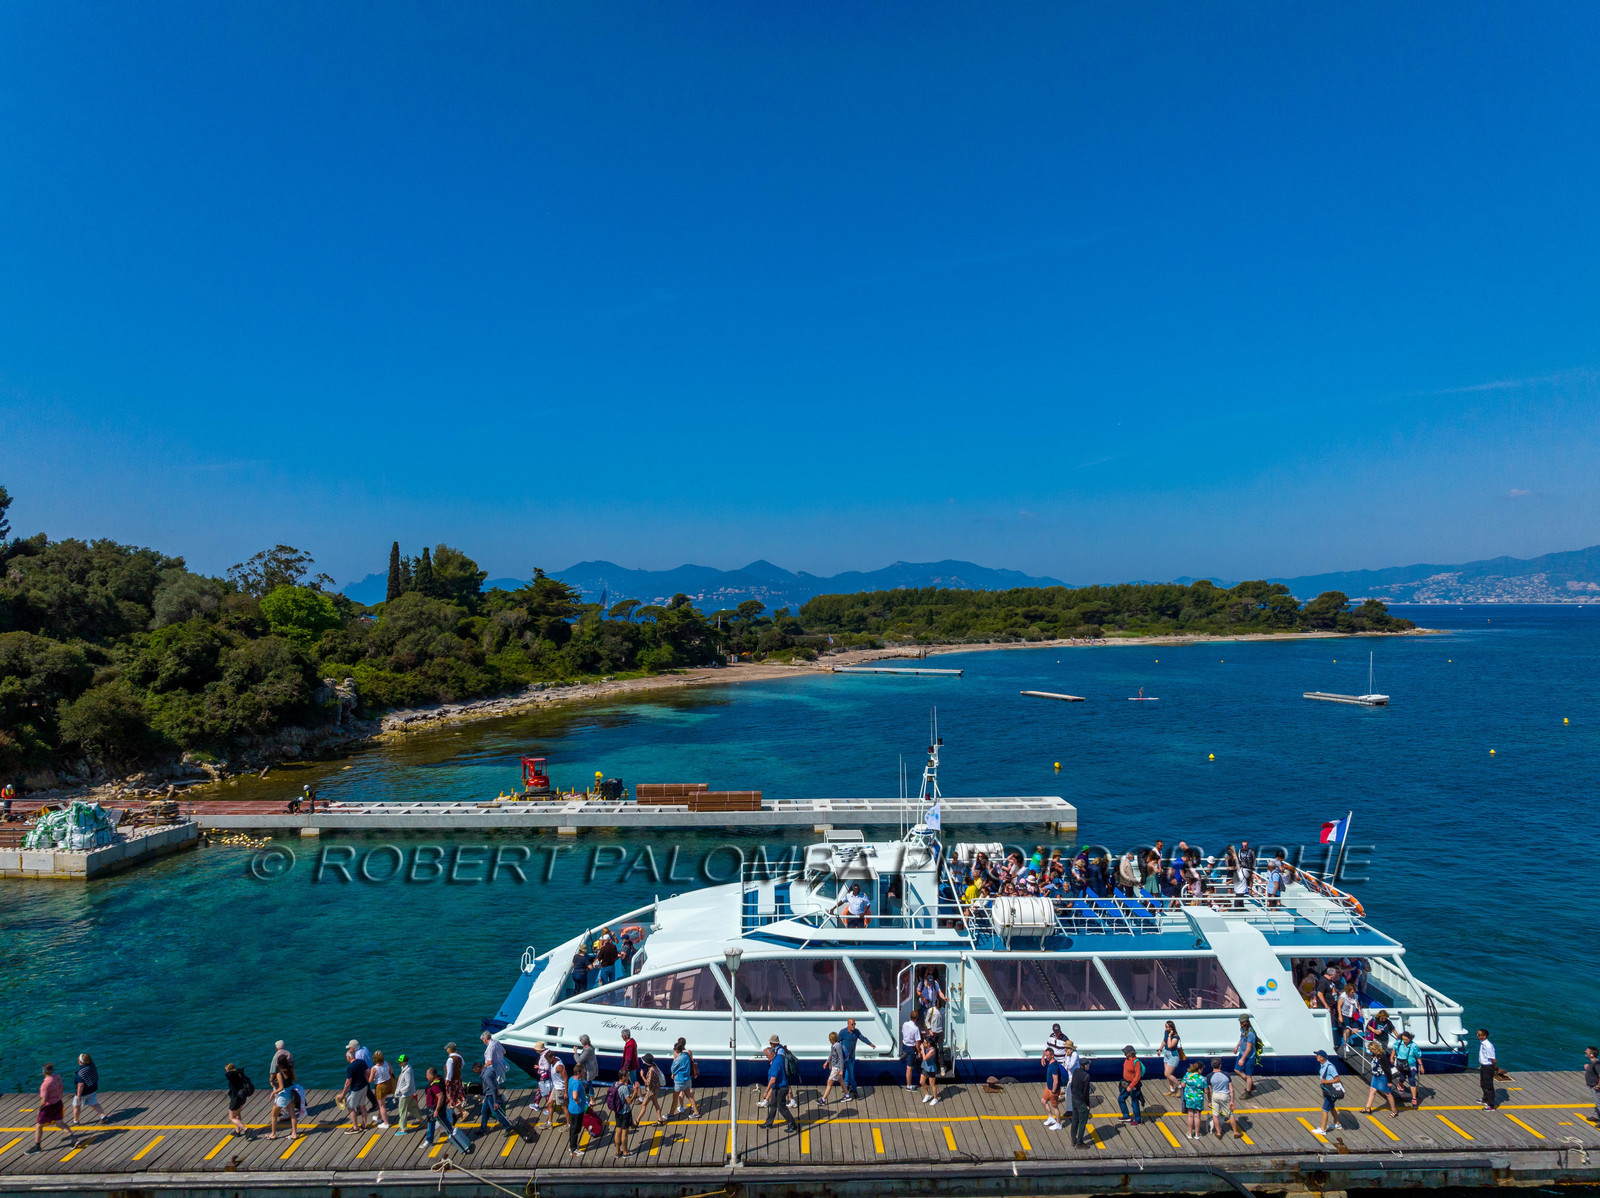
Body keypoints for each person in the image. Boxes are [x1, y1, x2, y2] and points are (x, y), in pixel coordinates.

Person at [29, 1064, 75, 1153]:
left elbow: (44, 1100)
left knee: (39, 1126)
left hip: (48, 1107)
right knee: (60, 1123)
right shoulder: (58, 1077)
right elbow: (62, 1088)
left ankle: (37, 1146)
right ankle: (74, 1140)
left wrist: (40, 1108)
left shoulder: (45, 1084)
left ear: (44, 1071)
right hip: (58, 1103)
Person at [761, 1039, 798, 1132]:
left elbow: (773, 1080)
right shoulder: (778, 1058)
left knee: (781, 1107)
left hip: (781, 1088)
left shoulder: (775, 1063)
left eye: (767, 1055)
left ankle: (792, 1124)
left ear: (771, 1054)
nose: (766, 1057)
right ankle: (768, 1123)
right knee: (773, 1105)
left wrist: (766, 1091)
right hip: (777, 1088)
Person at [838, 1017, 875, 1099]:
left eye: (854, 1024)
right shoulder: (843, 1032)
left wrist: (870, 1044)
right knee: (851, 1074)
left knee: (848, 1071)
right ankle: (854, 1091)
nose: (853, 1025)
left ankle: (846, 1087)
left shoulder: (856, 1032)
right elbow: (837, 1042)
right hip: (846, 1057)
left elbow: (862, 1038)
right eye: (852, 1024)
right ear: (848, 1024)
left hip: (852, 1056)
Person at [1208, 1058, 1243, 1138]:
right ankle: (1235, 1132)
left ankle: (1218, 1132)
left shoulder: (1209, 1076)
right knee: (1230, 1114)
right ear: (1220, 1065)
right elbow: (1231, 1089)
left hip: (1215, 1096)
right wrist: (1232, 1101)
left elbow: (1209, 1091)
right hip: (1225, 1095)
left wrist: (1209, 1101)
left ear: (1212, 1065)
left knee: (1215, 1115)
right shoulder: (1226, 1074)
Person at [1361, 1045, 1399, 1118]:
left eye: (1371, 1050)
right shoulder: (1374, 1055)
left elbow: (1387, 1069)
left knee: (1387, 1093)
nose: (1370, 1051)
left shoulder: (1382, 1057)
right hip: (1376, 1075)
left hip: (1382, 1076)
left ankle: (1394, 1110)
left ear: (1375, 1049)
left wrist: (1389, 1081)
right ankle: (1368, 1108)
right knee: (1372, 1090)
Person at [341, 1046, 371, 1134]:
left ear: (348, 1057)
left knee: (350, 1107)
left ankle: (355, 1127)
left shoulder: (350, 1068)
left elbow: (348, 1082)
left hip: (356, 1089)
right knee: (362, 1105)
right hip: (364, 1086)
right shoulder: (361, 1062)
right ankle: (364, 1124)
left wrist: (343, 1094)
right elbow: (367, 1071)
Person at [269, 1065, 301, 1141]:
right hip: (291, 1093)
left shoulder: (279, 1074)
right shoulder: (290, 1070)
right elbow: (295, 1079)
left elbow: (281, 1087)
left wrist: (273, 1093)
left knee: (273, 1115)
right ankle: (294, 1134)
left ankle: (273, 1134)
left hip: (284, 1095)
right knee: (292, 1114)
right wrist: (293, 1071)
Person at [1314, 1049, 1342, 1136]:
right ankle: (1337, 1124)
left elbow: (1337, 1079)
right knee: (1331, 1107)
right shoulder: (1322, 1065)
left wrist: (1326, 1082)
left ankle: (1322, 1129)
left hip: (1331, 1091)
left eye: (1318, 1055)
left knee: (1325, 1109)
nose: (1316, 1057)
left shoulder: (1330, 1067)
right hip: (1326, 1090)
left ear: (1322, 1057)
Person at [670, 1037, 700, 1118]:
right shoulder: (688, 1053)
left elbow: (673, 1066)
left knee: (678, 1094)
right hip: (688, 1074)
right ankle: (695, 1110)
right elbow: (692, 1062)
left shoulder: (677, 1054)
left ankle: (680, 1108)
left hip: (680, 1078)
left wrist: (673, 1073)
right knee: (689, 1092)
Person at [1392, 1031, 1423, 1109]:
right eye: (1403, 1039)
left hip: (1411, 1065)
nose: (1404, 1041)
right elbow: (1394, 1049)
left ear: (1410, 1038)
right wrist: (1392, 1056)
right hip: (1401, 1064)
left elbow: (1418, 1056)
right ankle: (1400, 1084)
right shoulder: (1399, 1043)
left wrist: (1421, 1065)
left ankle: (1414, 1099)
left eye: (1406, 1040)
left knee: (1412, 1081)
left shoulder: (1414, 1046)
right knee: (1402, 1077)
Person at [71, 1054, 104, 1126]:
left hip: (84, 1092)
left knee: (76, 1106)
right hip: (93, 1088)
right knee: (94, 1103)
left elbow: (80, 1084)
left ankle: (76, 1121)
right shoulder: (92, 1065)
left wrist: (79, 1095)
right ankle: (103, 1116)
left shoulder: (81, 1072)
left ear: (80, 1061)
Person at [607, 1073, 636, 1156]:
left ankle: (618, 1151)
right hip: (625, 1112)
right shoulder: (624, 1088)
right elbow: (629, 1101)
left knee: (618, 1131)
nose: (628, 1077)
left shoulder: (615, 1084)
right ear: (623, 1077)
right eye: (627, 1076)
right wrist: (635, 1092)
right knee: (624, 1133)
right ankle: (626, 1152)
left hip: (617, 1111)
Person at [1069, 1055, 1093, 1148]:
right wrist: (1087, 1104)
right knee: (1082, 1122)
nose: (1088, 1066)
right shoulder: (1086, 1076)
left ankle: (1073, 1140)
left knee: (1075, 1120)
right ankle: (1079, 1143)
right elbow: (1086, 1092)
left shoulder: (1075, 1071)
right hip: (1081, 1101)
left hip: (1074, 1098)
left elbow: (1072, 1085)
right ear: (1084, 1066)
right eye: (1087, 1065)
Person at [1117, 1045, 1144, 1125]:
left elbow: (1138, 1076)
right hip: (1125, 1083)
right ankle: (1126, 1116)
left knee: (1134, 1102)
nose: (1124, 1053)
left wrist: (1131, 1086)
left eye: (1126, 1052)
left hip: (1133, 1085)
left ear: (1131, 1053)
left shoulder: (1136, 1062)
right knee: (1121, 1099)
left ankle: (1138, 1120)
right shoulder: (1126, 1060)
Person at [1040, 1047, 1066, 1131]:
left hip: (1053, 1090)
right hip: (1048, 1087)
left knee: (1055, 1107)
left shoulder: (1054, 1066)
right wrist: (1042, 1056)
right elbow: (1044, 1051)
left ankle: (1058, 1124)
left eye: (1047, 1055)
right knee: (1043, 1101)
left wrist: (1054, 1091)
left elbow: (1056, 1080)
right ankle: (1051, 1117)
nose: (1046, 1057)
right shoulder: (1050, 1062)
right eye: (1046, 1055)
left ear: (1052, 1055)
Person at [224, 1062, 252, 1137]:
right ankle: (237, 1131)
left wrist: (230, 1071)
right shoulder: (240, 1075)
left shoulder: (233, 1077)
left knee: (232, 1117)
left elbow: (227, 1075)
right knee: (237, 1114)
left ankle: (246, 1129)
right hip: (242, 1098)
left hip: (235, 1099)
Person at [637, 1053, 666, 1126]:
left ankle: (637, 1121)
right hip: (655, 1089)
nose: (643, 1062)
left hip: (651, 1091)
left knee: (643, 1105)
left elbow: (648, 1083)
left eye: (644, 1061)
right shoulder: (654, 1066)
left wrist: (642, 1076)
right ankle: (660, 1120)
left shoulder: (651, 1071)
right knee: (656, 1104)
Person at [1182, 1060, 1207, 1139]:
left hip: (1189, 1098)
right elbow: (1206, 1091)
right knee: (1197, 1116)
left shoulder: (1187, 1075)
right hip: (1199, 1099)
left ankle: (1189, 1133)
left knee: (1190, 1115)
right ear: (1199, 1069)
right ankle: (1197, 1133)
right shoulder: (1202, 1078)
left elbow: (1182, 1085)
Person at [1235, 1017, 1259, 1098]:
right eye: (1240, 1022)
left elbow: (1249, 1048)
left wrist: (1242, 1059)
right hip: (1242, 1053)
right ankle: (1250, 1084)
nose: (1241, 1024)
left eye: (1242, 1022)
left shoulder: (1250, 1033)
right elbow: (1241, 1039)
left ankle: (1248, 1092)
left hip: (1249, 1056)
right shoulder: (1243, 1029)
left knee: (1248, 1075)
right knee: (1237, 1070)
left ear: (1247, 1022)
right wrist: (1237, 1046)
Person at [393, 1053, 417, 1134]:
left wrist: (400, 1091)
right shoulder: (404, 1067)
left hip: (404, 1095)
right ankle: (421, 1120)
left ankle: (403, 1129)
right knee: (411, 1107)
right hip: (408, 1093)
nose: (399, 1063)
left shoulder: (407, 1071)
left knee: (402, 1111)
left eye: (400, 1062)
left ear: (405, 1062)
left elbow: (408, 1084)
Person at [369, 1050, 393, 1129]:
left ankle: (386, 1123)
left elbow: (370, 1080)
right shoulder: (387, 1063)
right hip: (388, 1084)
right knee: (381, 1103)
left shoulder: (374, 1068)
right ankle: (379, 1118)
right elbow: (391, 1072)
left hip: (380, 1087)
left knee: (382, 1105)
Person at [821, 1031, 846, 1104]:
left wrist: (841, 1070)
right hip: (834, 1066)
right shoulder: (833, 1046)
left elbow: (841, 1058)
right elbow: (831, 1054)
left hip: (836, 1067)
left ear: (832, 1039)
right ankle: (847, 1095)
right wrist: (827, 1062)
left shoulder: (838, 1046)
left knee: (829, 1082)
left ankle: (823, 1099)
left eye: (829, 1039)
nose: (829, 1040)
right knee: (841, 1081)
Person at [444, 1042, 467, 1116]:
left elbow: (449, 1072)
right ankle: (452, 1109)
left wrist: (447, 1081)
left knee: (451, 1096)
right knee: (457, 1094)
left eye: (447, 1048)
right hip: (458, 1078)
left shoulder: (450, 1059)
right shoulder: (459, 1055)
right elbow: (463, 1065)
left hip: (452, 1081)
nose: (446, 1050)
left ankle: (462, 1111)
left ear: (450, 1049)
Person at [1477, 1028, 1498, 1110]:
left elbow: (1493, 1059)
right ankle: (1485, 1098)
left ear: (1484, 1036)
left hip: (1488, 1067)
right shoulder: (1482, 1043)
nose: (1477, 1036)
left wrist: (1495, 1068)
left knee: (1488, 1086)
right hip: (1483, 1065)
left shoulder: (1488, 1046)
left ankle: (1491, 1105)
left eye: (1479, 1035)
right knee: (1483, 1084)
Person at [1161, 1021, 1183, 1094]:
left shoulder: (1175, 1037)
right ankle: (1172, 1089)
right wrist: (1160, 1048)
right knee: (1167, 1073)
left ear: (1171, 1027)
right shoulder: (1166, 1032)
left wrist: (1170, 1035)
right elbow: (1165, 1041)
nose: (1165, 1028)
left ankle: (1180, 1087)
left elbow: (1170, 1045)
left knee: (1168, 1074)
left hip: (1173, 1055)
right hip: (1166, 1053)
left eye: (1167, 1026)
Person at [901, 1012, 922, 1090]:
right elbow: (917, 1043)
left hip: (904, 1045)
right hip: (911, 1048)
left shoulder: (905, 1024)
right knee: (909, 1068)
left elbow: (903, 1032)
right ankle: (909, 1085)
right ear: (916, 1018)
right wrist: (919, 1052)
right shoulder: (915, 1029)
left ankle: (903, 1056)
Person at [919, 1034, 940, 1106]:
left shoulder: (932, 1050)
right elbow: (922, 1055)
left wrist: (922, 1049)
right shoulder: (925, 1048)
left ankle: (935, 1098)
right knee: (922, 1082)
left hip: (931, 1069)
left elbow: (925, 1058)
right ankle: (928, 1094)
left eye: (925, 1042)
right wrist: (921, 1051)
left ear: (929, 1044)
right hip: (925, 1067)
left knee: (932, 1084)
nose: (923, 1043)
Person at [1584, 1046, 1600, 1127]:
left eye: (1587, 1051)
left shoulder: (1597, 1064)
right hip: (1593, 1086)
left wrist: (1598, 1085)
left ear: (1591, 1055)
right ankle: (1596, 1116)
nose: (1585, 1052)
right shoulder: (1593, 1064)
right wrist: (1588, 1068)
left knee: (1599, 1103)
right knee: (1597, 1102)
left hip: (1596, 1087)